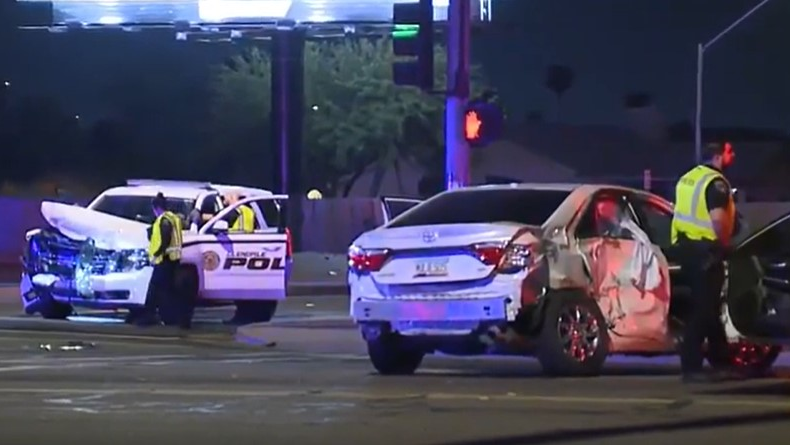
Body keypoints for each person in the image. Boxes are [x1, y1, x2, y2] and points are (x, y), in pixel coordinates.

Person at [671, 141, 739, 383]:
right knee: (702, 310)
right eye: (729, 152)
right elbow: (718, 220)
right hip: (706, 252)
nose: (733, 155)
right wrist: (725, 245)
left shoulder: (688, 178)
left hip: (685, 248)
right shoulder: (716, 183)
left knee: (709, 308)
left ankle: (722, 363)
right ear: (719, 156)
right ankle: (691, 366)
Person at [140, 193, 189, 328]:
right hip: (174, 260)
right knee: (167, 290)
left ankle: (150, 316)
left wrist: (156, 253)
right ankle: (168, 317)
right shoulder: (174, 218)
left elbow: (165, 239)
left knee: (156, 289)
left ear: (156, 208)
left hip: (165, 259)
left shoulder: (164, 220)